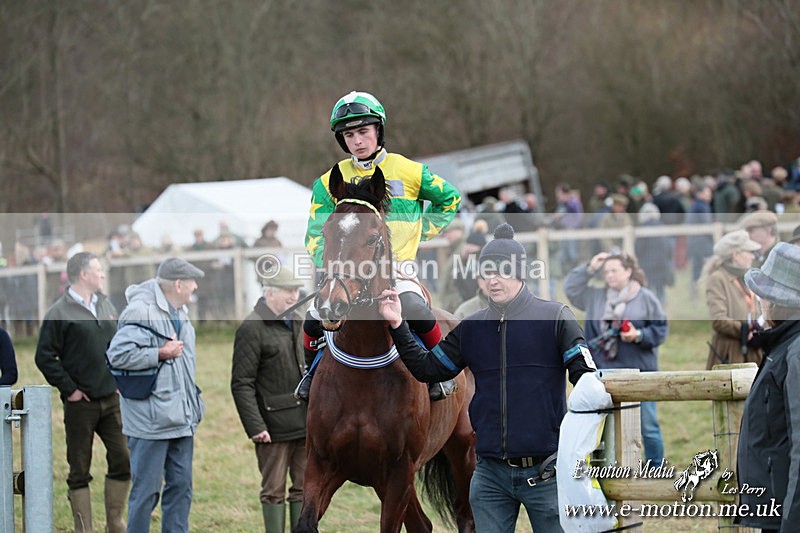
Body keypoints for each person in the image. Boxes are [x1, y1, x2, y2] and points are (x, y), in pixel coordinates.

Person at [378, 223, 596, 532]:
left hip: (547, 472)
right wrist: (399, 325)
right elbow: (429, 369)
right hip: (490, 475)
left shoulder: (556, 318)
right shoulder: (471, 328)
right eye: (486, 272)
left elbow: (586, 378)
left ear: (521, 273)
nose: (492, 280)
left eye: (502, 272)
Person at [298, 90, 462, 402]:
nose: (357, 140)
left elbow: (450, 198)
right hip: (346, 272)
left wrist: (421, 230)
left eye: (363, 131)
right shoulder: (328, 182)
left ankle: (441, 372)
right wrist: (333, 264)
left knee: (416, 310)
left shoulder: (411, 171)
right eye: (349, 134)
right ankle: (309, 374)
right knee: (312, 318)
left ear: (378, 131)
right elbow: (315, 234)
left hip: (398, 269)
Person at [106, 258, 205, 533]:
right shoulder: (140, 310)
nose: (195, 286)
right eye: (192, 281)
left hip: (181, 419)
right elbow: (118, 355)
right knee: (147, 492)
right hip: (150, 423)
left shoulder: (180, 312)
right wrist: (159, 353)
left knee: (181, 487)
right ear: (178, 284)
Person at [34, 252, 130, 533]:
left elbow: (119, 344)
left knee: (123, 458)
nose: (102, 275)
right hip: (80, 405)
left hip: (112, 399)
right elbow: (44, 356)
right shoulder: (58, 313)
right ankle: (83, 529)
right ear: (83, 275)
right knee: (79, 468)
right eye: (98, 270)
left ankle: (115, 524)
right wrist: (70, 390)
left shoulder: (107, 305)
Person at [563, 251, 668, 464]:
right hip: (601, 373)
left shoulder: (646, 298)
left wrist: (639, 335)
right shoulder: (595, 296)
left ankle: (655, 468)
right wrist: (590, 267)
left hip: (640, 373)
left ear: (628, 271)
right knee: (600, 427)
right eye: (605, 271)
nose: (609, 275)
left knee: (648, 426)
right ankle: (604, 470)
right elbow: (571, 288)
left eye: (614, 270)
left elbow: (660, 329)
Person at [231, 267, 307, 531]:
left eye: (296, 291)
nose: (293, 296)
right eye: (288, 291)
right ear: (270, 292)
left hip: (304, 424)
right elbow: (241, 384)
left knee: (304, 489)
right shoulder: (252, 329)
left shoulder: (299, 320)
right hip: (271, 429)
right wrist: (256, 427)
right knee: (273, 492)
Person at [737, 242, 800, 531]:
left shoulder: (795, 352)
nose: (759, 301)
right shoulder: (784, 345)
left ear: (777, 302)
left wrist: (791, 520)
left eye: (763, 295)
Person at [700, 230, 763, 369]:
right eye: (749, 251)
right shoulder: (717, 279)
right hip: (730, 356)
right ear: (735, 255)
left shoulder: (748, 278)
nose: (753, 256)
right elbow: (719, 320)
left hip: (754, 354)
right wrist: (745, 330)